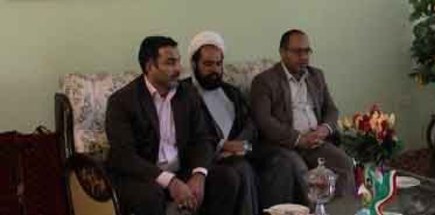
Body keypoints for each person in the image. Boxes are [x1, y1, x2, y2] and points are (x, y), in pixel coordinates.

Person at [105, 36, 240, 215]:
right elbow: (125, 156)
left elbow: (203, 139)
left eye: (178, 61)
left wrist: (199, 174)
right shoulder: (122, 101)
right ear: (150, 66)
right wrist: (170, 181)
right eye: (170, 63)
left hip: (180, 169)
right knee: (150, 195)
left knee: (227, 178)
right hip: (142, 175)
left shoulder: (187, 94)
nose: (178, 69)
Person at [183, 31, 305, 212]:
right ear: (194, 64)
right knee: (243, 169)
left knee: (283, 160)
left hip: (242, 149)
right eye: (208, 64)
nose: (215, 70)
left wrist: (242, 144)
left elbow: (250, 123)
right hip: (210, 155)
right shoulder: (184, 94)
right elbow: (188, 134)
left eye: (218, 64)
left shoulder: (230, 92)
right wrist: (223, 145)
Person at [250, 29, 355, 197]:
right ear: (283, 53)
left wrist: (324, 129)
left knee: (344, 163)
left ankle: (339, 209)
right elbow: (264, 121)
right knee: (301, 172)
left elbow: (331, 109)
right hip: (285, 144)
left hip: (315, 141)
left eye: (307, 51)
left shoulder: (316, 76)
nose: (304, 57)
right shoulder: (265, 81)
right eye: (298, 52)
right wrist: (299, 139)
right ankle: (310, 209)